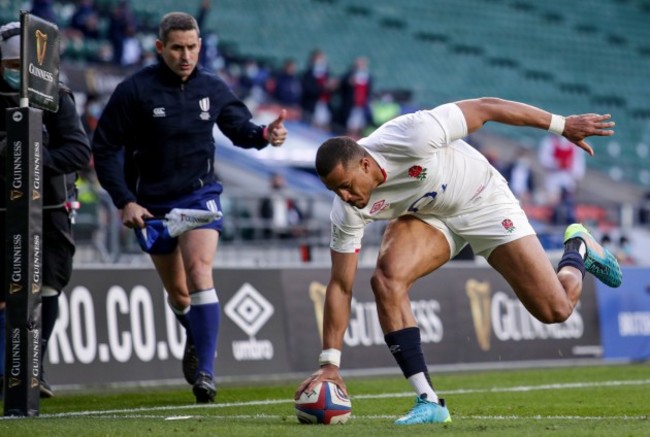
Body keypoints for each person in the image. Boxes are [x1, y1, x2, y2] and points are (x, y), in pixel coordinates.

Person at [295, 97, 622, 425]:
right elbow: (340, 285)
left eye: (347, 186)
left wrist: (561, 125)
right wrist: (330, 363)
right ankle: (429, 400)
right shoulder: (347, 211)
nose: (345, 197)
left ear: (365, 165)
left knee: (557, 309)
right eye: (336, 191)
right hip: (429, 215)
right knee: (386, 280)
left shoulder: (412, 134)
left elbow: (486, 108)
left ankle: (578, 246)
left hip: (482, 199)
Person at [92, 12, 287, 403]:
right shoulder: (134, 90)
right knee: (180, 294)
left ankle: (206, 373)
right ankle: (194, 335)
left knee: (200, 271)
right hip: (152, 206)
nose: (186, 56)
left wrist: (265, 134)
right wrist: (125, 200)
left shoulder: (213, 87)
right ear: (160, 47)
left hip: (199, 196)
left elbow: (241, 130)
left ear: (200, 45)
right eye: (177, 48)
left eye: (192, 47)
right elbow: (105, 147)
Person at [0, 22, 92, 398]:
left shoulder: (58, 96)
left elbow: (79, 152)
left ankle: (31, 367)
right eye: (9, 62)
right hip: (3, 208)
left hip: (49, 207)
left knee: (49, 286)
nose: (16, 70)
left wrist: (30, 158)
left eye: (23, 64)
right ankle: (10, 371)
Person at [259, 172, 305, 239]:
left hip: (287, 231)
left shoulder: (288, 199)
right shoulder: (267, 199)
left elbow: (298, 214)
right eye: (276, 180)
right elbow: (263, 215)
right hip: (272, 232)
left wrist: (296, 226)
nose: (278, 182)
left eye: (280, 180)